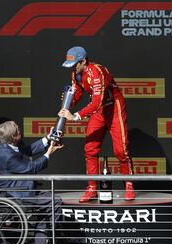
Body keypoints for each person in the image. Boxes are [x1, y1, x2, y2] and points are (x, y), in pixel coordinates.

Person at [58, 46, 135, 203]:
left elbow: (97, 101)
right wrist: (67, 102)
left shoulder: (96, 72)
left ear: (83, 61)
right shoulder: (76, 74)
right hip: (99, 111)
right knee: (90, 148)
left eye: (74, 65)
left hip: (114, 106)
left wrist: (76, 116)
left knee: (121, 150)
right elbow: (78, 94)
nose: (72, 69)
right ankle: (92, 188)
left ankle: (129, 184)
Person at [0, 121, 63, 244]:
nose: (21, 132)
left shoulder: (3, 147)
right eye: (18, 131)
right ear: (14, 137)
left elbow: (27, 150)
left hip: (20, 190)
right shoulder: (8, 156)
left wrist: (47, 138)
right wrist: (48, 154)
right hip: (17, 195)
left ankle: (40, 242)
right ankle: (42, 242)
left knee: (50, 199)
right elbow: (30, 168)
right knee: (55, 201)